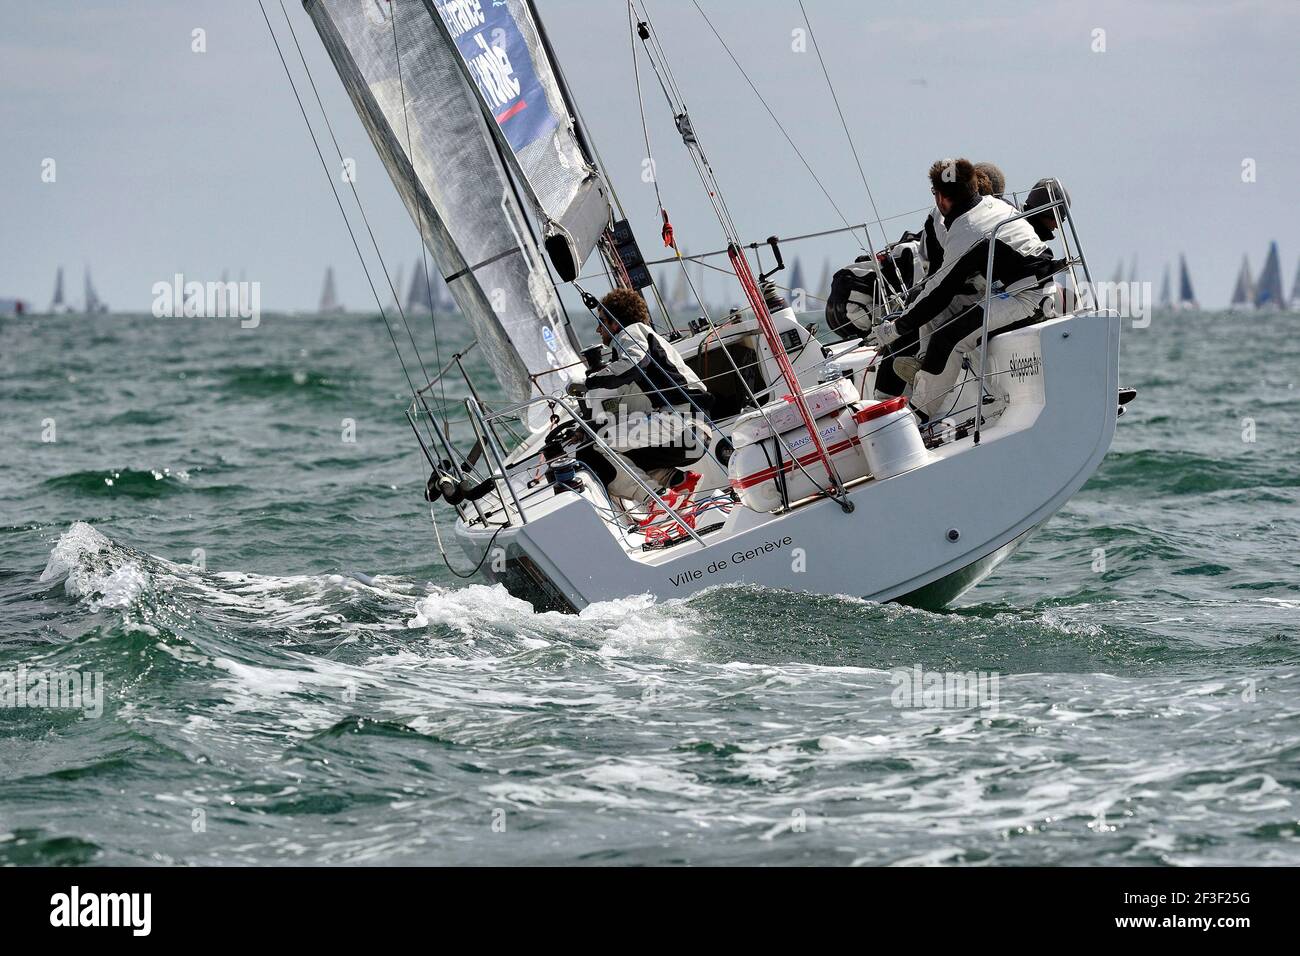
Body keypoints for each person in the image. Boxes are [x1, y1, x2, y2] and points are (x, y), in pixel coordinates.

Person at [870, 158, 1058, 422]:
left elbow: (939, 291)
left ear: (941, 198)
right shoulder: (991, 205)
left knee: (949, 338)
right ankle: (926, 367)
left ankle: (918, 418)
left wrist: (895, 329)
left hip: (1030, 298)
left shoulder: (965, 229)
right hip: (1014, 289)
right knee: (937, 318)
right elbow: (940, 296)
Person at [568, 288, 714, 506]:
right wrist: (585, 425)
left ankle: (657, 501)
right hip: (694, 433)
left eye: (602, 321)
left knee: (601, 447)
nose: (599, 329)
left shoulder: (632, 332)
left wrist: (589, 382)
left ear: (615, 322)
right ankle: (680, 482)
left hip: (684, 423)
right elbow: (629, 395)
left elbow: (635, 363)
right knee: (624, 457)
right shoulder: (644, 339)